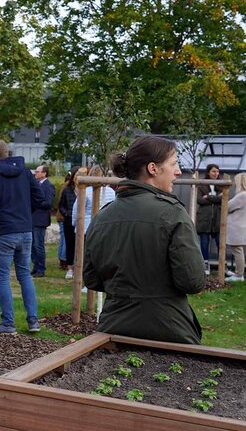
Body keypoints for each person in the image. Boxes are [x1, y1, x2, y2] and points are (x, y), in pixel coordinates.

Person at [84, 135, 207, 344]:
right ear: (153, 168)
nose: (178, 171)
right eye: (174, 164)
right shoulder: (172, 213)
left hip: (112, 329)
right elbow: (192, 281)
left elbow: (92, 278)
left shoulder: (101, 217)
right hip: (169, 330)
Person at [0, 139, 48, 333]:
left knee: (2, 277)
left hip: (4, 231)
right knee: (25, 275)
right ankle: (33, 321)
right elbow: (39, 198)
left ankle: (8, 323)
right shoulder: (26, 173)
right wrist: (25, 216)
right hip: (25, 231)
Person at [225, 172, 246, 282]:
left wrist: (223, 198)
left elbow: (227, 206)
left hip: (237, 227)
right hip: (240, 227)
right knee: (237, 250)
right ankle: (238, 272)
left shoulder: (242, 195)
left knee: (237, 251)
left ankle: (239, 275)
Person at [196, 164, 222, 274]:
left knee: (220, 243)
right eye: (213, 171)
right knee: (204, 243)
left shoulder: (222, 185)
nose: (216, 174)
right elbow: (200, 200)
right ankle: (205, 265)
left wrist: (209, 197)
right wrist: (216, 198)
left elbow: (223, 199)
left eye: (217, 171)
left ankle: (222, 265)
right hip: (204, 219)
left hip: (217, 220)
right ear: (208, 172)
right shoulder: (201, 184)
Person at [31, 165, 55, 278]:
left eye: (37, 171)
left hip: (40, 220)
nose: (35, 173)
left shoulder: (48, 186)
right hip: (33, 219)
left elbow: (48, 203)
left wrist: (35, 203)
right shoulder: (37, 184)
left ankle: (41, 268)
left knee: (38, 245)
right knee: (32, 245)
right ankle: (36, 267)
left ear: (44, 173)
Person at [58, 167, 81, 279]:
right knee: (69, 245)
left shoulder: (87, 190)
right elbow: (61, 205)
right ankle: (70, 268)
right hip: (69, 221)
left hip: (83, 222)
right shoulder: (67, 190)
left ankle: (80, 268)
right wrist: (66, 214)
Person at [56, 170, 72, 271]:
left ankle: (62, 259)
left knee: (62, 239)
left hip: (60, 216)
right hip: (64, 217)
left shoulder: (63, 186)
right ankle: (64, 259)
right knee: (65, 239)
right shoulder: (67, 187)